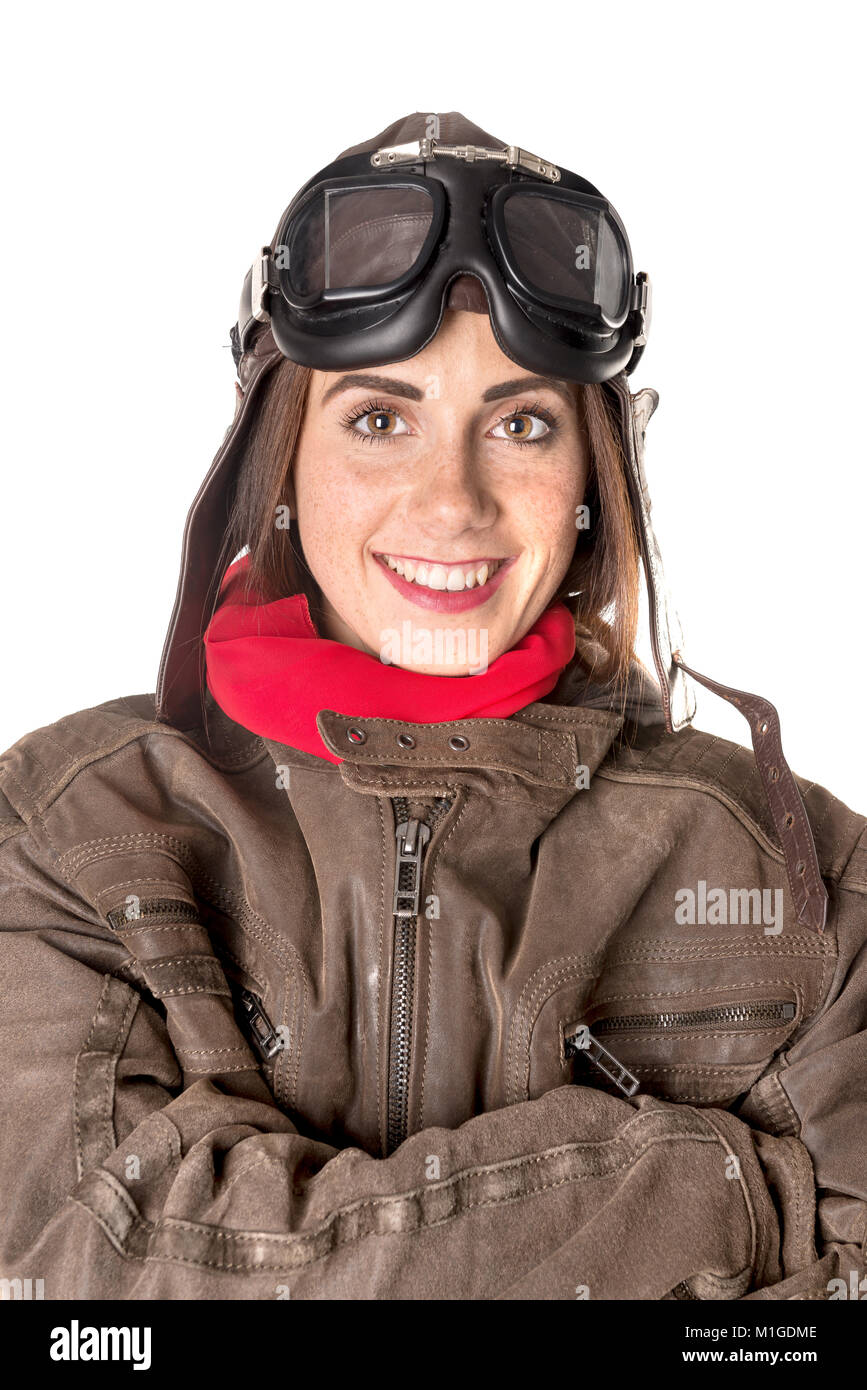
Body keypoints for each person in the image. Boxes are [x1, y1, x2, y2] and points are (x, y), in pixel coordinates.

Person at [0, 111, 864, 1302]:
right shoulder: (65, 835)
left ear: (592, 482)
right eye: (378, 418)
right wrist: (717, 1192)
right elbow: (80, 1289)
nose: (450, 501)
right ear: (283, 457)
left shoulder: (799, 876)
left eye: (519, 423)